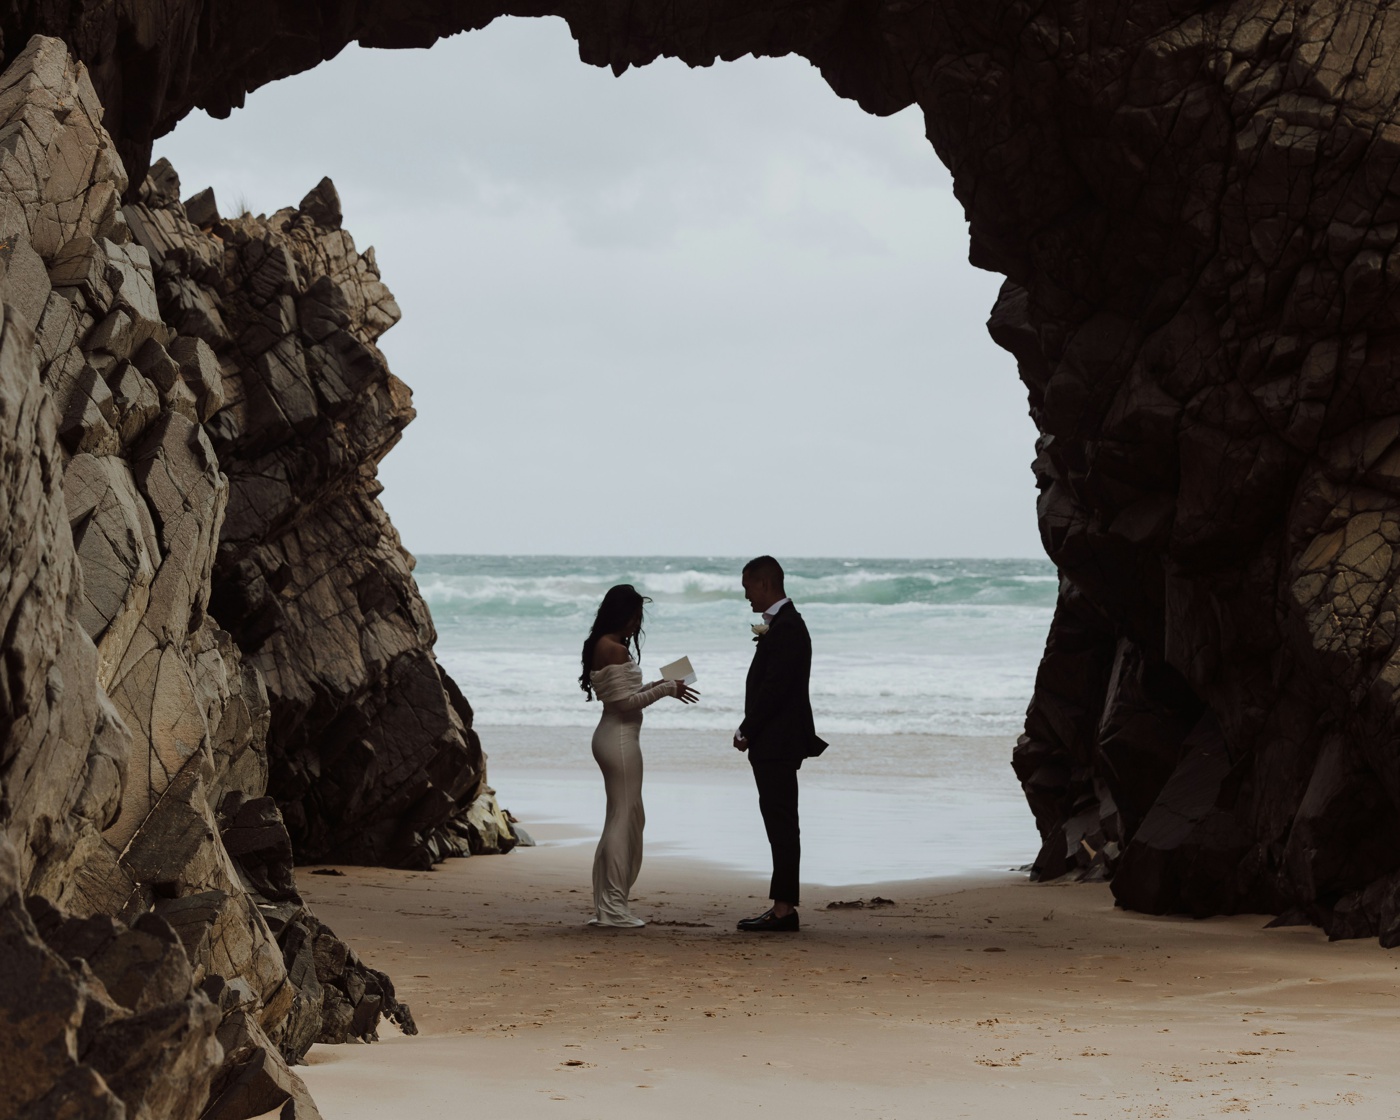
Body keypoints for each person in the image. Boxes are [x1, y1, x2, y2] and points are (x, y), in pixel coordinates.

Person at [580, 583, 699, 927]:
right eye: (634, 617)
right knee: (623, 818)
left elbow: (626, 694)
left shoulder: (604, 644)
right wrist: (665, 689)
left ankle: (608, 903)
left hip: (615, 737)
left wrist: (666, 686)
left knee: (626, 816)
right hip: (618, 739)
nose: (636, 624)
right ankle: (613, 907)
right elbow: (621, 704)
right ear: (622, 614)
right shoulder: (612, 648)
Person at [733, 556, 826, 932]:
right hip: (775, 741)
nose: (746, 597)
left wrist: (747, 728)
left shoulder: (787, 627)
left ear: (765, 584)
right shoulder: (785, 624)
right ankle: (782, 905)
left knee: (782, 825)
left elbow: (775, 689)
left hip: (777, 742)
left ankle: (784, 910)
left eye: (748, 588)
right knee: (779, 823)